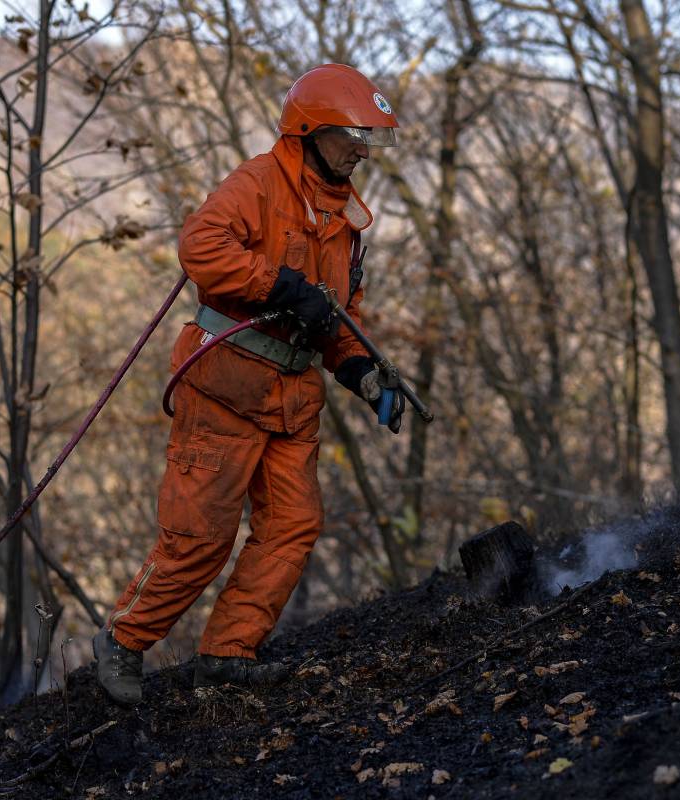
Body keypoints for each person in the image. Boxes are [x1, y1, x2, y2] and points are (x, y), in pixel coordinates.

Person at [93, 64, 402, 704]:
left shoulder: (347, 223)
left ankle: (228, 654)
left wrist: (363, 372)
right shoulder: (259, 183)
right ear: (311, 130)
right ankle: (122, 643)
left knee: (293, 525)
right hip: (225, 391)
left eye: (368, 136)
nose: (362, 149)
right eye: (351, 133)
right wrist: (281, 287)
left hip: (292, 402)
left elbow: (340, 318)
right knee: (199, 539)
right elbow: (201, 245)